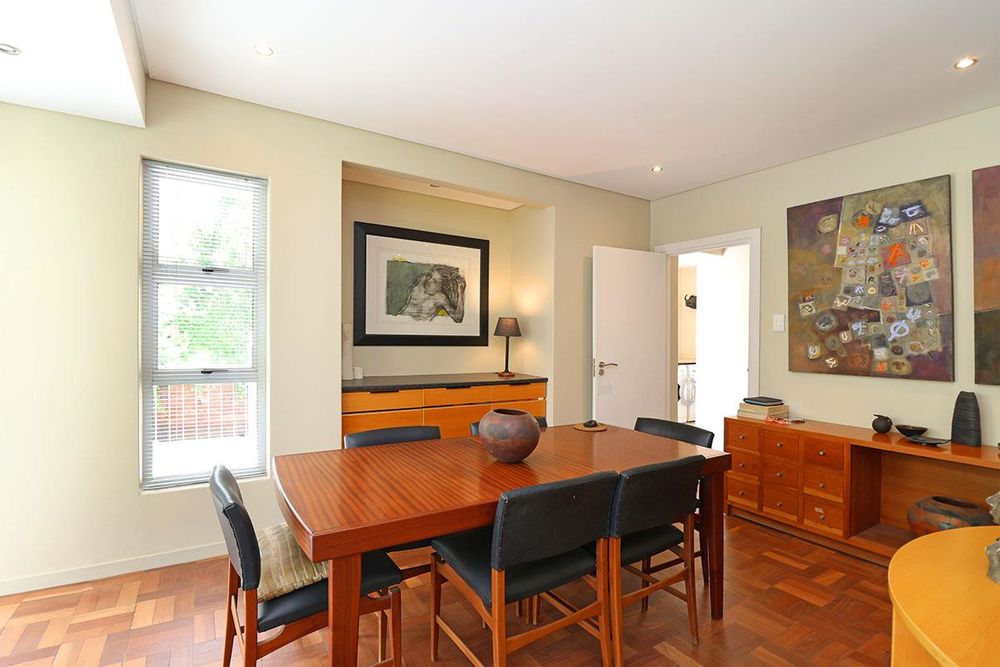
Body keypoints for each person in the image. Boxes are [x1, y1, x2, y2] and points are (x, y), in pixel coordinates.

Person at [397, 264, 465, 323]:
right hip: (399, 320)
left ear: (441, 287)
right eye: (430, 276)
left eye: (435, 281)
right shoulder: (422, 280)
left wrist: (461, 293)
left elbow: (458, 319)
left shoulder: (441, 298)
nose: (429, 280)